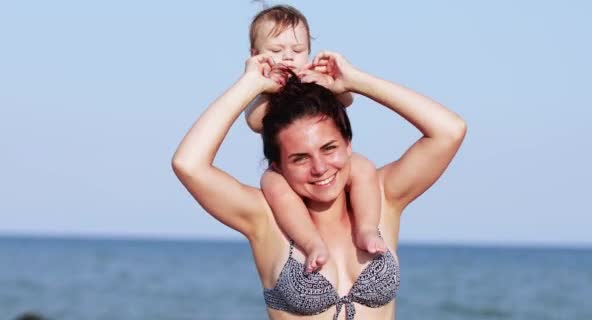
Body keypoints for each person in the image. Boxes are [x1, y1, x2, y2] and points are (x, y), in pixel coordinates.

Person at [172, 44, 466, 320]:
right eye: (300, 158)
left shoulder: (382, 195)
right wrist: (250, 85)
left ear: (348, 144)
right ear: (278, 165)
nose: (320, 168)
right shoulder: (264, 217)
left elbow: (449, 130)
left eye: (329, 148)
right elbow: (189, 164)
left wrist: (357, 81)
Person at [245, 5, 385, 273]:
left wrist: (329, 82)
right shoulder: (263, 92)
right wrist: (261, 86)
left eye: (297, 51)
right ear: (255, 55)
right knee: (270, 182)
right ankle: (311, 243)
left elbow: (346, 99)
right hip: (286, 170)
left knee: (364, 166)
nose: (288, 57)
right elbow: (253, 121)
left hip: (330, 164)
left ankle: (367, 229)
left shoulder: (314, 78)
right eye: (276, 51)